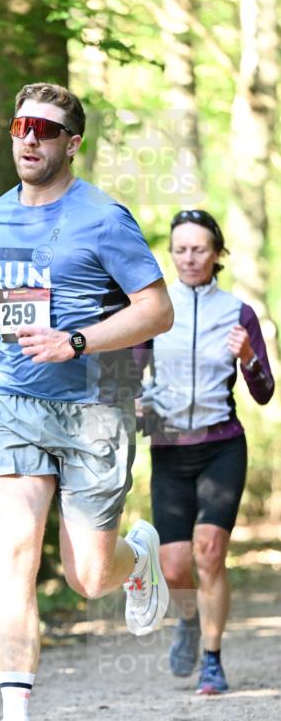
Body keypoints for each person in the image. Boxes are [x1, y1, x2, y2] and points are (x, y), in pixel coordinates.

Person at [0, 82, 173, 721]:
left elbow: (154, 311)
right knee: (15, 552)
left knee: (87, 575)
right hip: (12, 399)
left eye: (45, 129)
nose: (29, 138)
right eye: (19, 126)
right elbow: (2, 291)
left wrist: (75, 341)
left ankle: (135, 559)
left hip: (94, 406)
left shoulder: (103, 218)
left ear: (72, 142)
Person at [136, 209, 275, 695]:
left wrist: (250, 359)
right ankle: (189, 622)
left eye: (199, 249)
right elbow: (131, 381)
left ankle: (212, 660)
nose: (189, 258)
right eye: (180, 250)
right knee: (175, 567)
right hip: (170, 449)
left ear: (216, 254)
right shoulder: (155, 310)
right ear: (171, 254)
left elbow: (263, 392)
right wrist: (134, 407)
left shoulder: (237, 313)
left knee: (210, 553)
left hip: (221, 447)